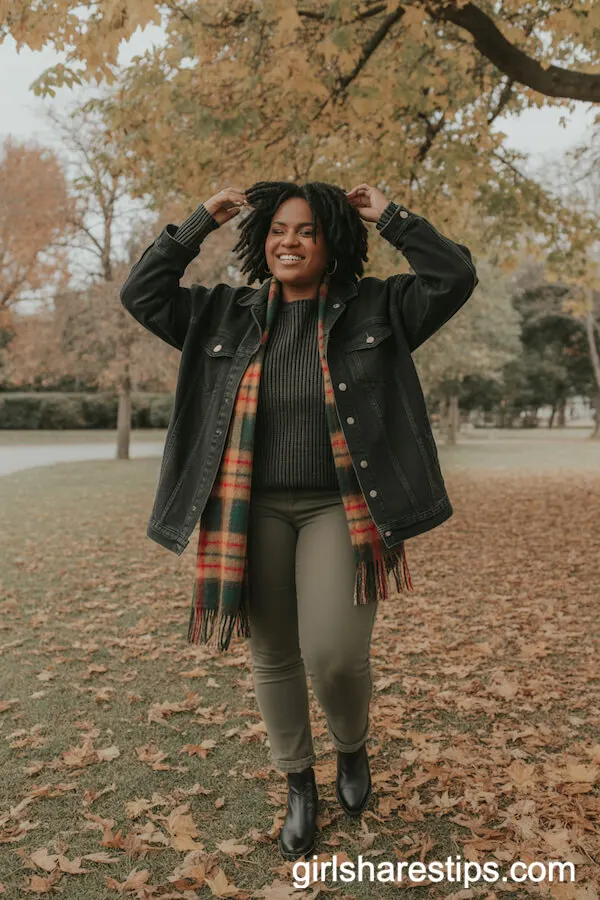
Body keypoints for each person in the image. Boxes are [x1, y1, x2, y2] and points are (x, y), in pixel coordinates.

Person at [120, 181, 478, 862]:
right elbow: (141, 293)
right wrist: (199, 223)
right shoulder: (220, 314)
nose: (289, 242)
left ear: (330, 241)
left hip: (340, 506)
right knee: (274, 653)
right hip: (250, 508)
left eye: (306, 230)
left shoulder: (380, 306)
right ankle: (298, 785)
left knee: (335, 653)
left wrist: (393, 217)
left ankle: (351, 746)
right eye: (278, 230)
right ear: (262, 242)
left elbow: (453, 276)